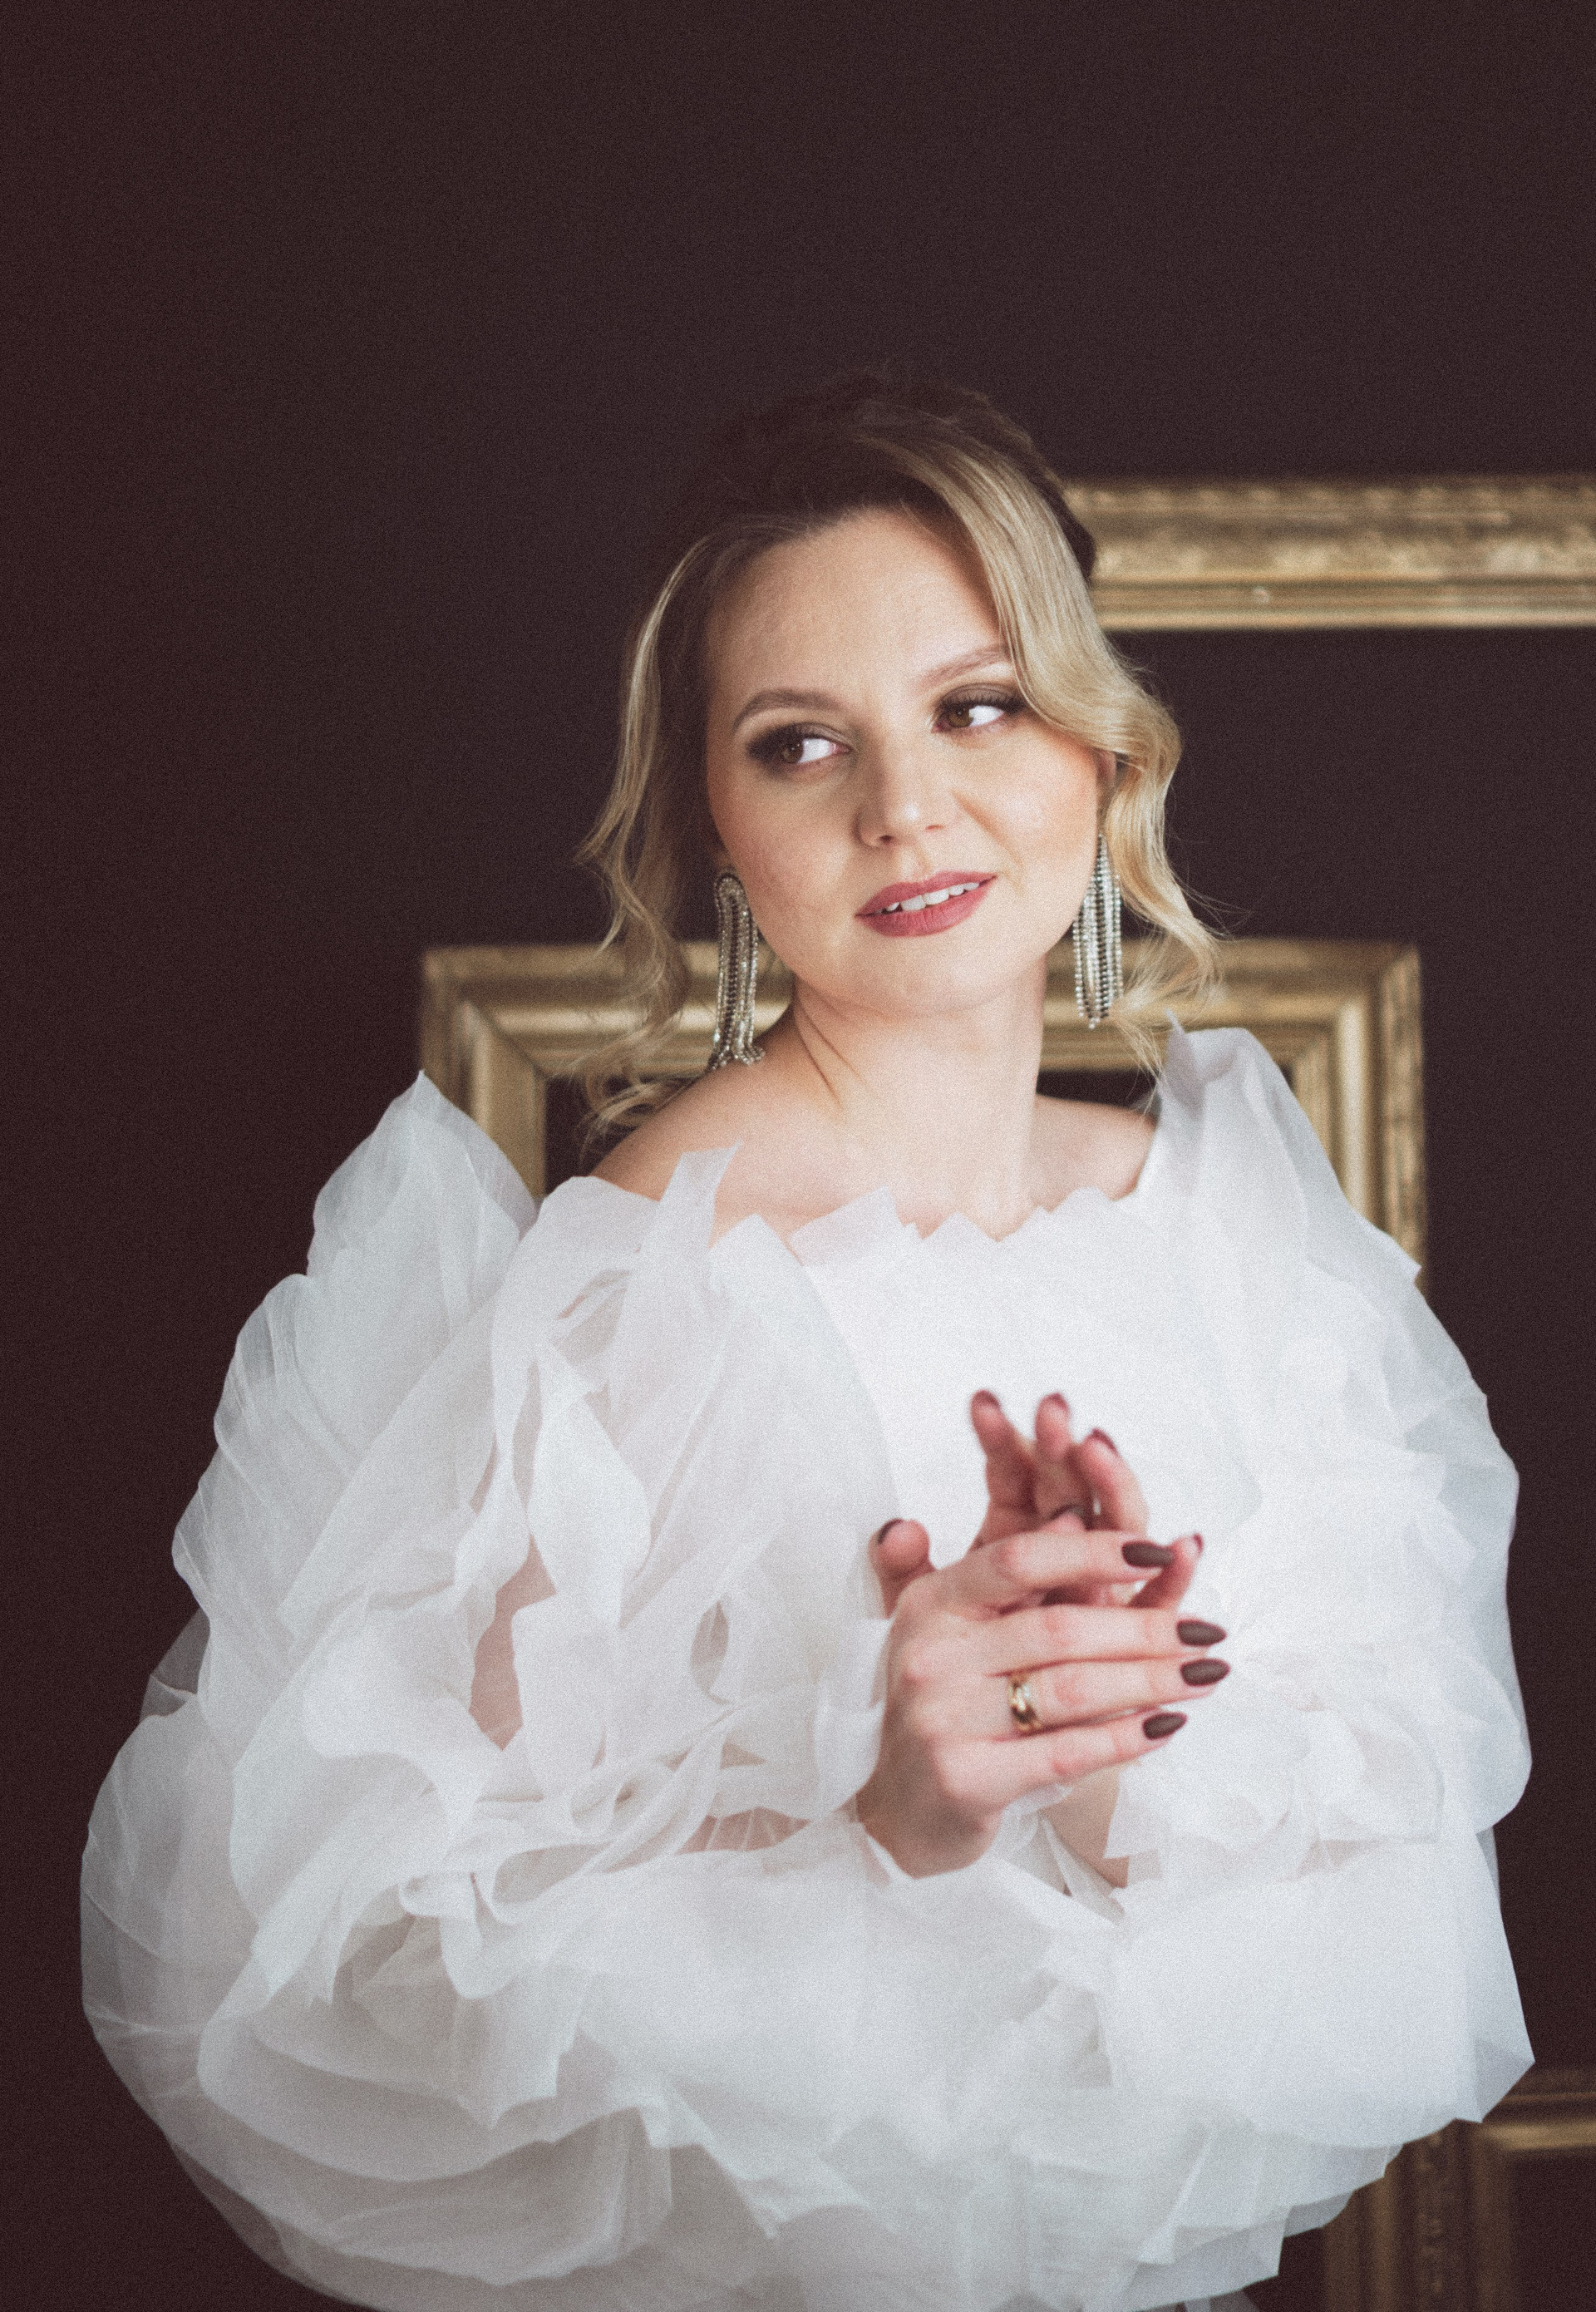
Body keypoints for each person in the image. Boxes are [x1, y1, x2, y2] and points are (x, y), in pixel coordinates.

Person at [82, 373, 1531, 2312]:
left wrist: (1094, 1750)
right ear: (718, 826)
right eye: (801, 743)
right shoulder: (657, 1276)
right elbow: (400, 1958)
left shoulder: (1228, 1227)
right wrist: (883, 1810)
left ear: (1100, 747)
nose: (904, 804)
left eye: (978, 704)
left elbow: (1397, 1834)